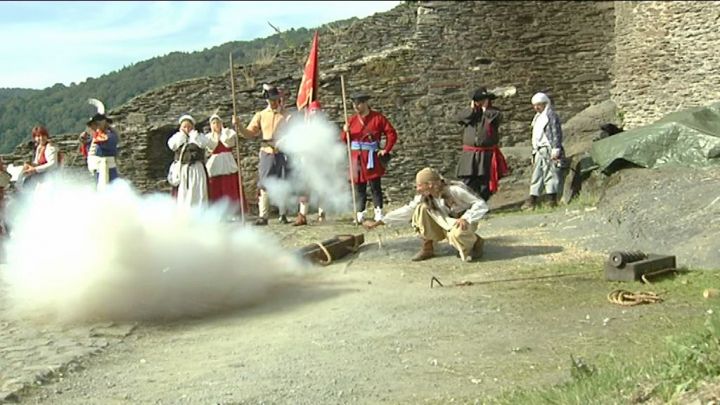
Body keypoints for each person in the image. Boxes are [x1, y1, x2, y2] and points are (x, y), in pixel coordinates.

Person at [364, 167, 488, 262]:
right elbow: (407, 210)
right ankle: (428, 247)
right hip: (444, 224)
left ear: (430, 184)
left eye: (419, 185)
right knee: (420, 209)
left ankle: (475, 242)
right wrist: (379, 222)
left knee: (457, 234)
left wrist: (466, 218)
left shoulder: (455, 190)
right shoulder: (424, 196)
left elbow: (481, 204)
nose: (417, 189)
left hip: (462, 223)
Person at [235, 84, 291, 226]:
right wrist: (239, 126)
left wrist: (282, 143)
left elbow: (292, 133)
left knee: (282, 183)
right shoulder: (260, 115)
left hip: (282, 151)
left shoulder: (287, 115)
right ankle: (263, 216)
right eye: (270, 99)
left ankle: (283, 214)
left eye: (275, 99)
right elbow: (249, 133)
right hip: (266, 151)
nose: (273, 102)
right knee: (264, 184)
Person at [341, 92, 398, 224]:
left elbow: (391, 133)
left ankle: (378, 212)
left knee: (375, 186)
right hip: (356, 157)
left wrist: (386, 149)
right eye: (354, 104)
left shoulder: (378, 118)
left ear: (365, 103)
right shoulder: (351, 121)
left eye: (358, 104)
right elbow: (344, 141)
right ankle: (360, 212)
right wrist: (345, 132)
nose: (356, 107)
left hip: (371, 156)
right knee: (359, 187)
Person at [455, 87, 508, 201]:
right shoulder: (469, 113)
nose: (481, 102)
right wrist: (473, 108)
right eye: (479, 100)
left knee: (485, 183)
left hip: (486, 155)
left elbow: (496, 118)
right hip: (470, 155)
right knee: (467, 182)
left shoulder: (494, 112)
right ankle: (468, 204)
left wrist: (485, 109)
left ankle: (482, 203)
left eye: (483, 99)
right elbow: (460, 118)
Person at [522, 92, 565, 210]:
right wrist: (534, 152)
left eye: (539, 105)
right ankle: (533, 199)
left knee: (550, 174)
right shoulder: (537, 118)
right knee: (537, 175)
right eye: (535, 105)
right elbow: (536, 136)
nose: (536, 108)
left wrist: (556, 148)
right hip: (539, 150)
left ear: (545, 104)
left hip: (548, 149)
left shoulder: (551, 116)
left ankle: (552, 199)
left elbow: (556, 132)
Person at [205, 113, 248, 217]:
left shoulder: (228, 133)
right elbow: (209, 148)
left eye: (217, 122)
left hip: (227, 162)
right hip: (215, 163)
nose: (216, 125)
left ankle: (232, 212)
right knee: (215, 188)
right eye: (213, 123)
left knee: (229, 187)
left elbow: (230, 142)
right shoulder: (208, 137)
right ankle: (218, 212)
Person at [293, 100, 327, 226]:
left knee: (321, 189)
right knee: (304, 190)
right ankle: (302, 216)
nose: (315, 113)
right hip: (306, 163)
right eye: (313, 111)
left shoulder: (325, 129)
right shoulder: (304, 128)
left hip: (320, 163)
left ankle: (321, 215)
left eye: (317, 111)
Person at [167, 114, 210, 209]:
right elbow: (172, 145)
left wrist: (193, 137)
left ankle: (199, 213)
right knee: (183, 192)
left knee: (197, 191)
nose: (187, 129)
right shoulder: (177, 137)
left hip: (196, 169)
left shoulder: (198, 137)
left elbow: (204, 143)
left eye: (189, 126)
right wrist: (182, 137)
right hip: (183, 170)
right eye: (184, 127)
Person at [85, 98, 120, 189]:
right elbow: (90, 150)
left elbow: (106, 144)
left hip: (107, 167)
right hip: (97, 168)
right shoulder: (96, 135)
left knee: (110, 189)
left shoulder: (110, 135)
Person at [22, 126, 59, 191]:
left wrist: (35, 169)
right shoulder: (39, 147)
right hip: (42, 178)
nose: (41, 138)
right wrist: (29, 166)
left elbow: (53, 164)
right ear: (35, 138)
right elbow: (37, 162)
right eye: (38, 136)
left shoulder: (50, 148)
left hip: (50, 178)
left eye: (43, 136)